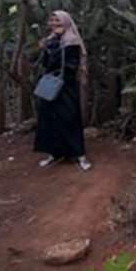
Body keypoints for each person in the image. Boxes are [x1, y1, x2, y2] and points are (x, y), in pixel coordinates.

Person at [33, 10, 92, 171]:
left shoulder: (71, 41)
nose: (54, 24)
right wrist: (47, 46)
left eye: (58, 21)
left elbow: (69, 65)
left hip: (66, 86)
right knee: (50, 120)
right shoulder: (51, 40)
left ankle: (79, 154)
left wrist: (54, 45)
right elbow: (46, 63)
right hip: (50, 85)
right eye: (52, 20)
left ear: (65, 22)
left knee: (69, 118)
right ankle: (54, 153)